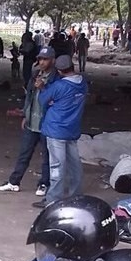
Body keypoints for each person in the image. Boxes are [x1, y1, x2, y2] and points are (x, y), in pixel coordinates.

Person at [0, 46, 56, 197]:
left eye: (45, 59)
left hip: (47, 123)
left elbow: (55, 100)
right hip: (32, 122)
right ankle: (14, 182)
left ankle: (43, 184)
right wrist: (25, 115)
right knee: (24, 154)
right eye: (40, 59)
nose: (42, 62)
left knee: (47, 157)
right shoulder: (35, 74)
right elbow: (29, 97)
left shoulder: (56, 78)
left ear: (52, 60)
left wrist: (43, 88)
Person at [37, 55, 88, 207]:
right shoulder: (82, 83)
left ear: (59, 71)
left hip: (55, 129)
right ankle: (75, 196)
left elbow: (43, 100)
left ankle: (52, 199)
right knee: (74, 165)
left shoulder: (59, 86)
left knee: (57, 167)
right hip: (72, 129)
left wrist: (41, 87)